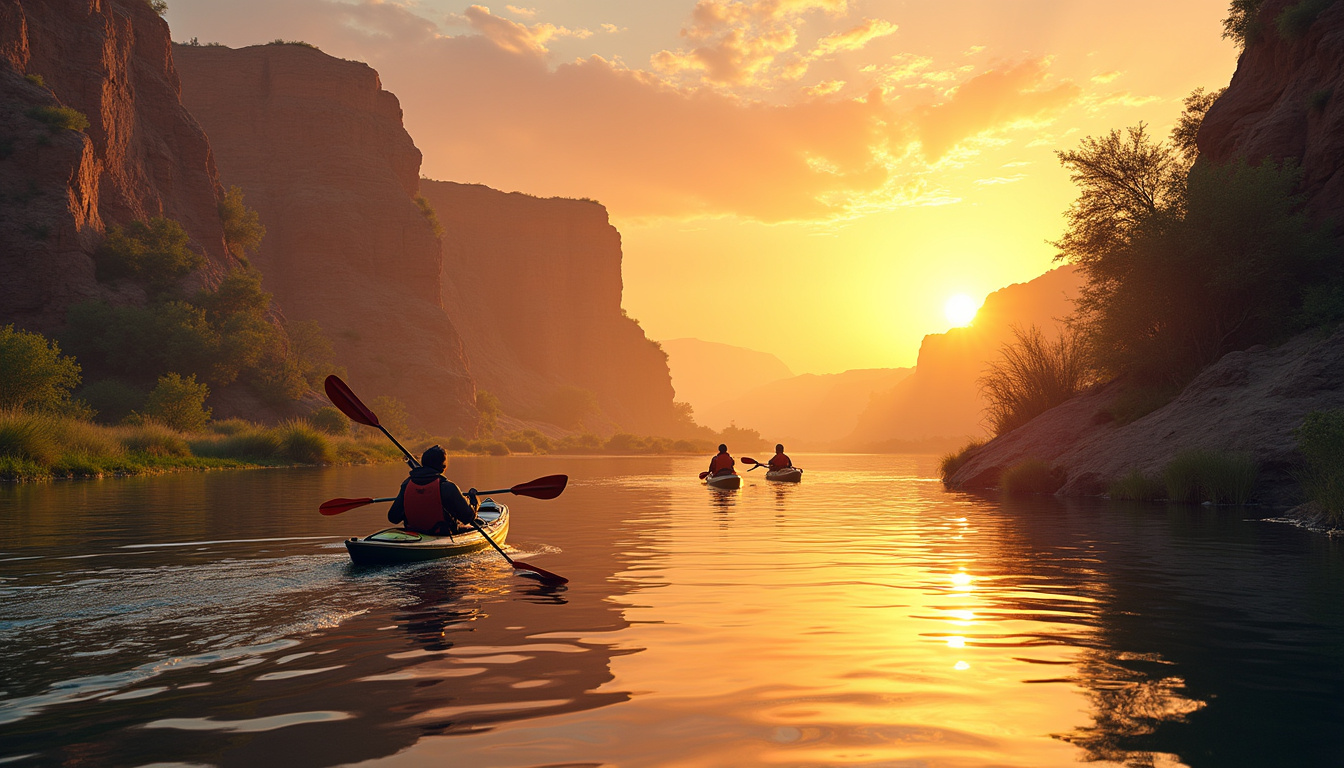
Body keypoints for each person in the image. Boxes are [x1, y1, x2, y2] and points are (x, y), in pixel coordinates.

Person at [387, 445, 478, 535]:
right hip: (441, 535)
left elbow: (393, 518)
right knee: (479, 523)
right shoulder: (448, 487)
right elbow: (468, 518)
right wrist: (474, 500)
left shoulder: (407, 484)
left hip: (414, 533)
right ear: (443, 466)